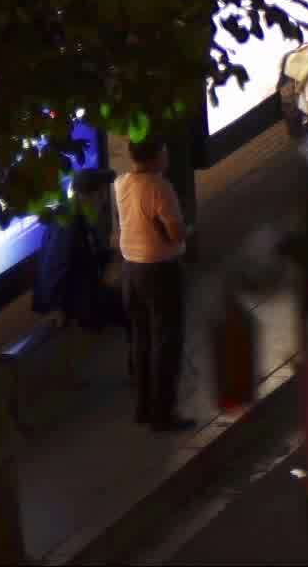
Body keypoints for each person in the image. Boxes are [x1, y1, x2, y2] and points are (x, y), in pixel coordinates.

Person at [114, 134, 188, 430]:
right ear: (157, 154)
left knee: (141, 340)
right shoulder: (160, 187)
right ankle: (163, 414)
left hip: (131, 270)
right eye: (165, 149)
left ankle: (143, 407)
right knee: (166, 342)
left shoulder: (121, 183)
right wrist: (186, 231)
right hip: (160, 271)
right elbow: (176, 234)